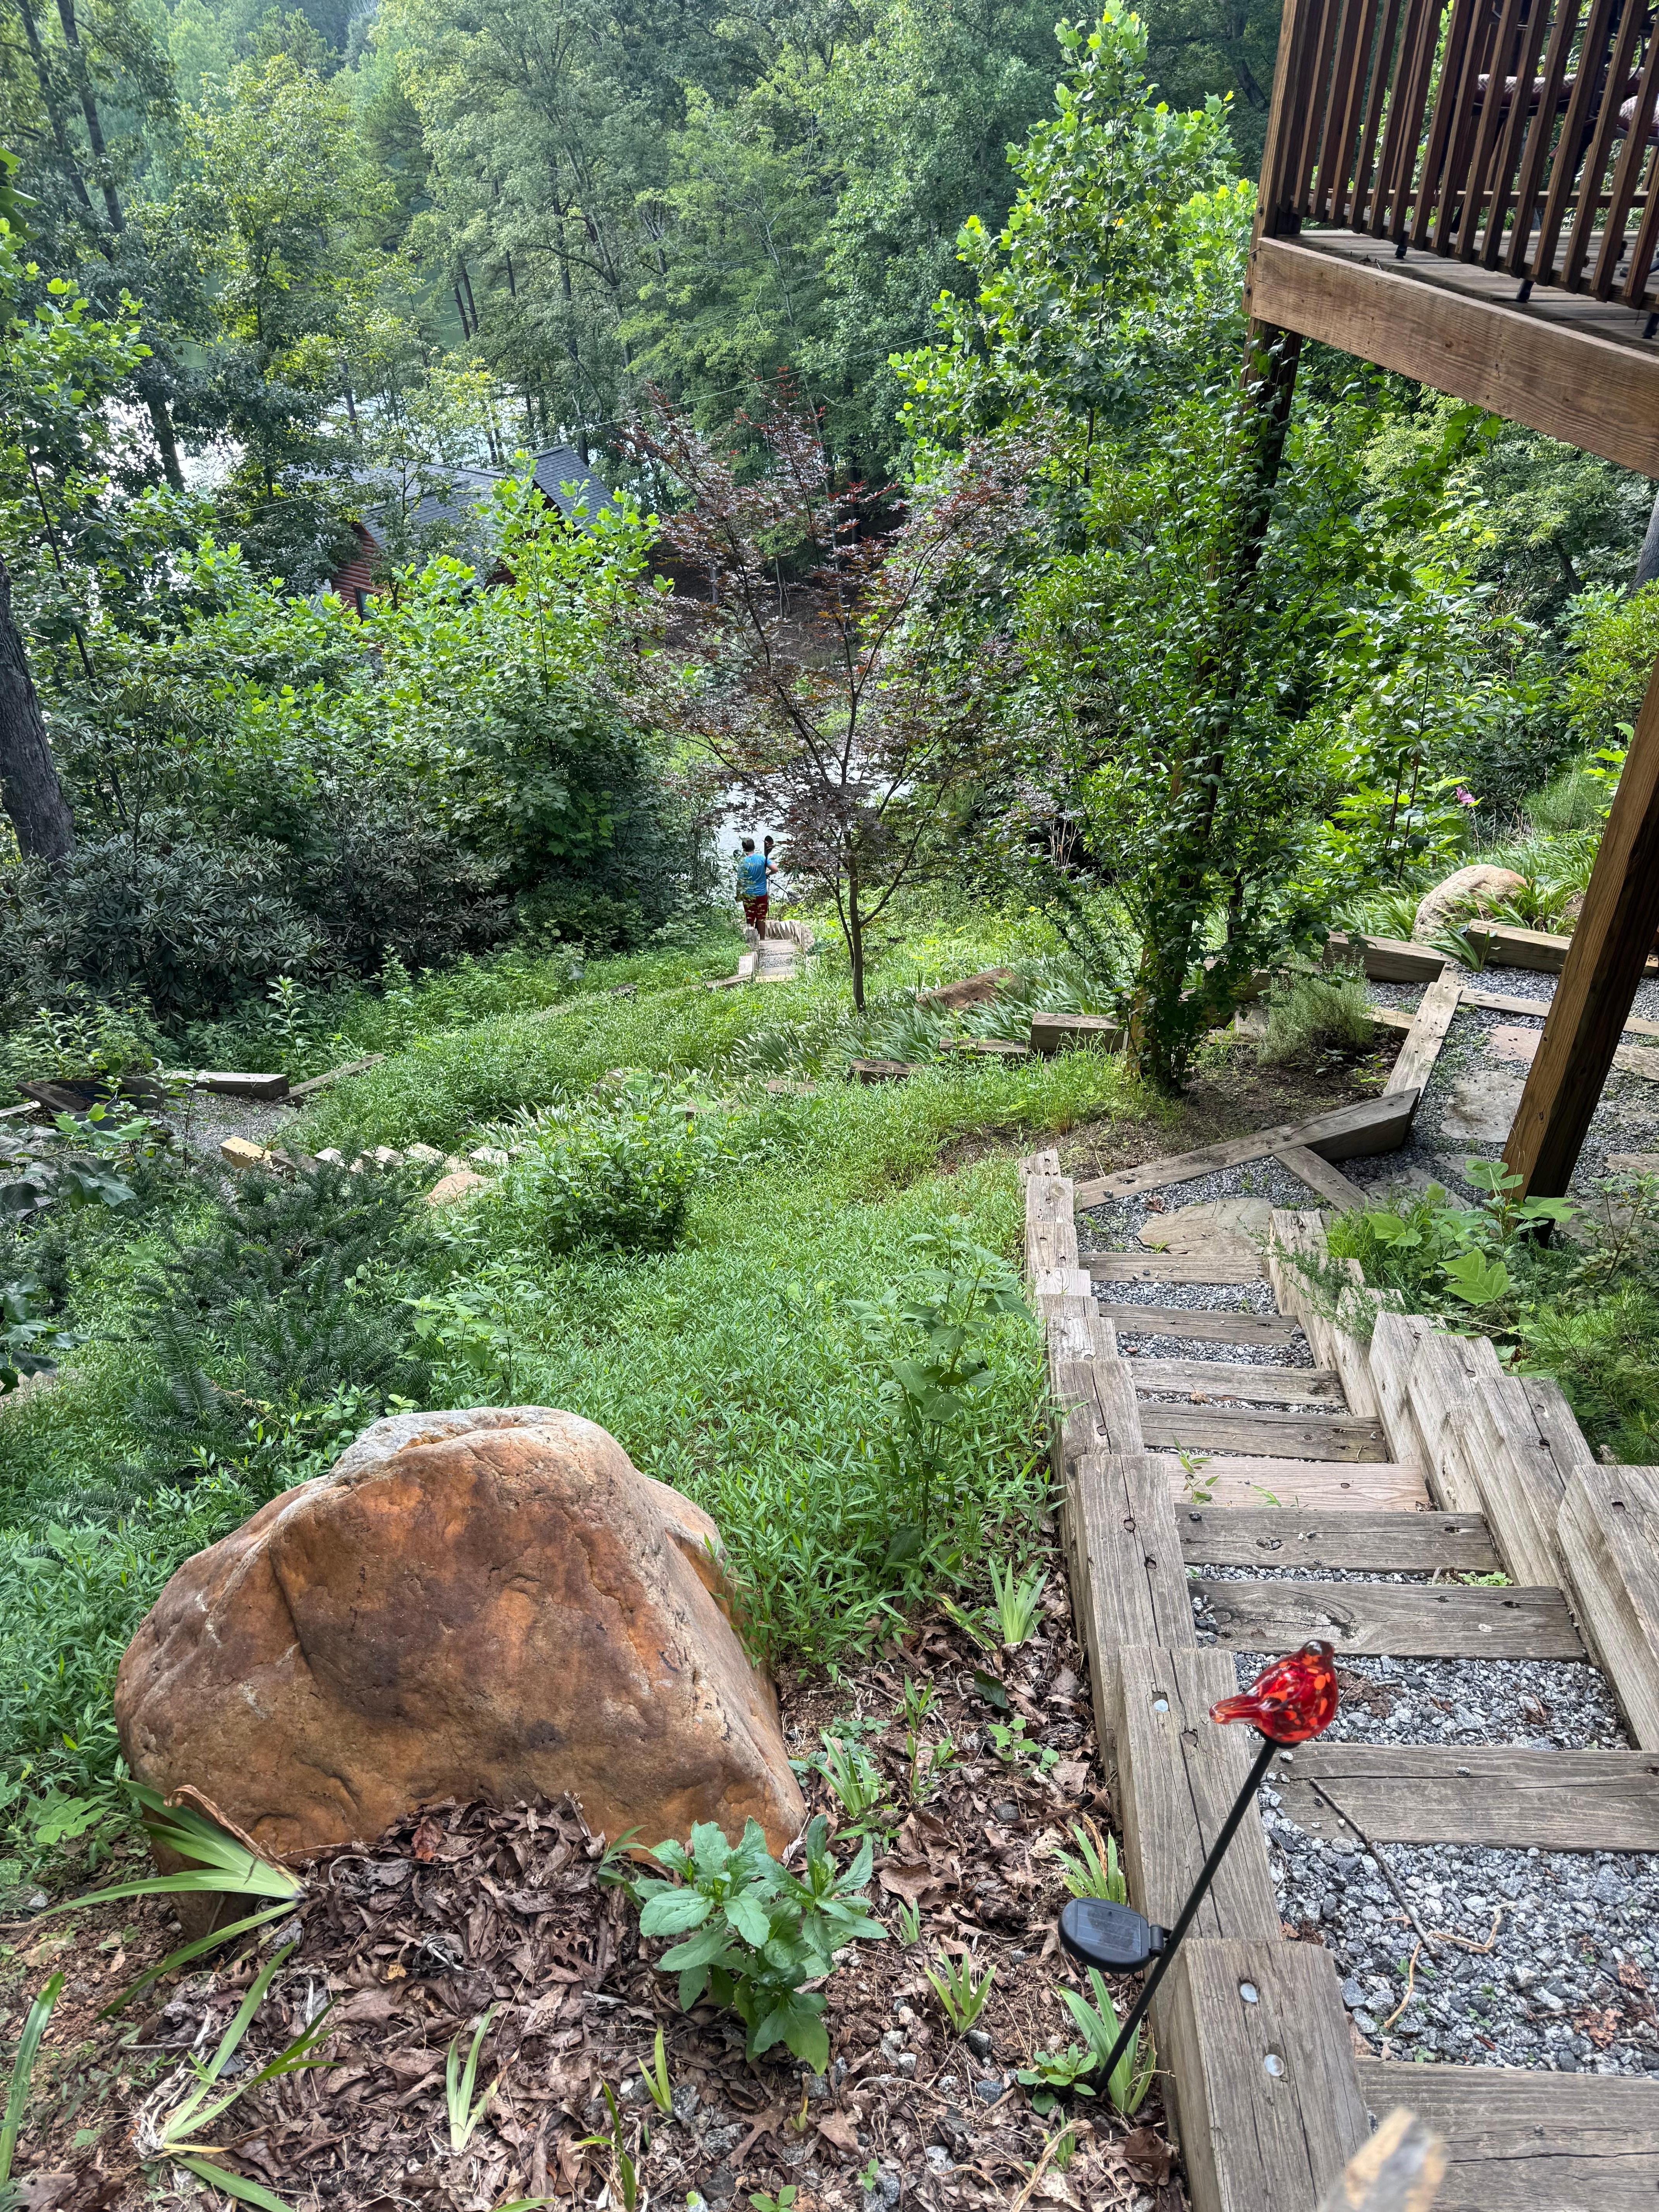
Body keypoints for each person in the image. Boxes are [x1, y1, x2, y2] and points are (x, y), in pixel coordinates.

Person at [735, 836, 773, 930]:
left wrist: (738, 895)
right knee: (761, 919)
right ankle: (763, 939)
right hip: (762, 894)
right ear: (754, 847)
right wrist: (767, 873)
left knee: (750, 919)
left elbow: (740, 882)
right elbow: (775, 869)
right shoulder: (762, 858)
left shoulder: (743, 862)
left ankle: (751, 939)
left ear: (744, 849)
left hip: (748, 895)